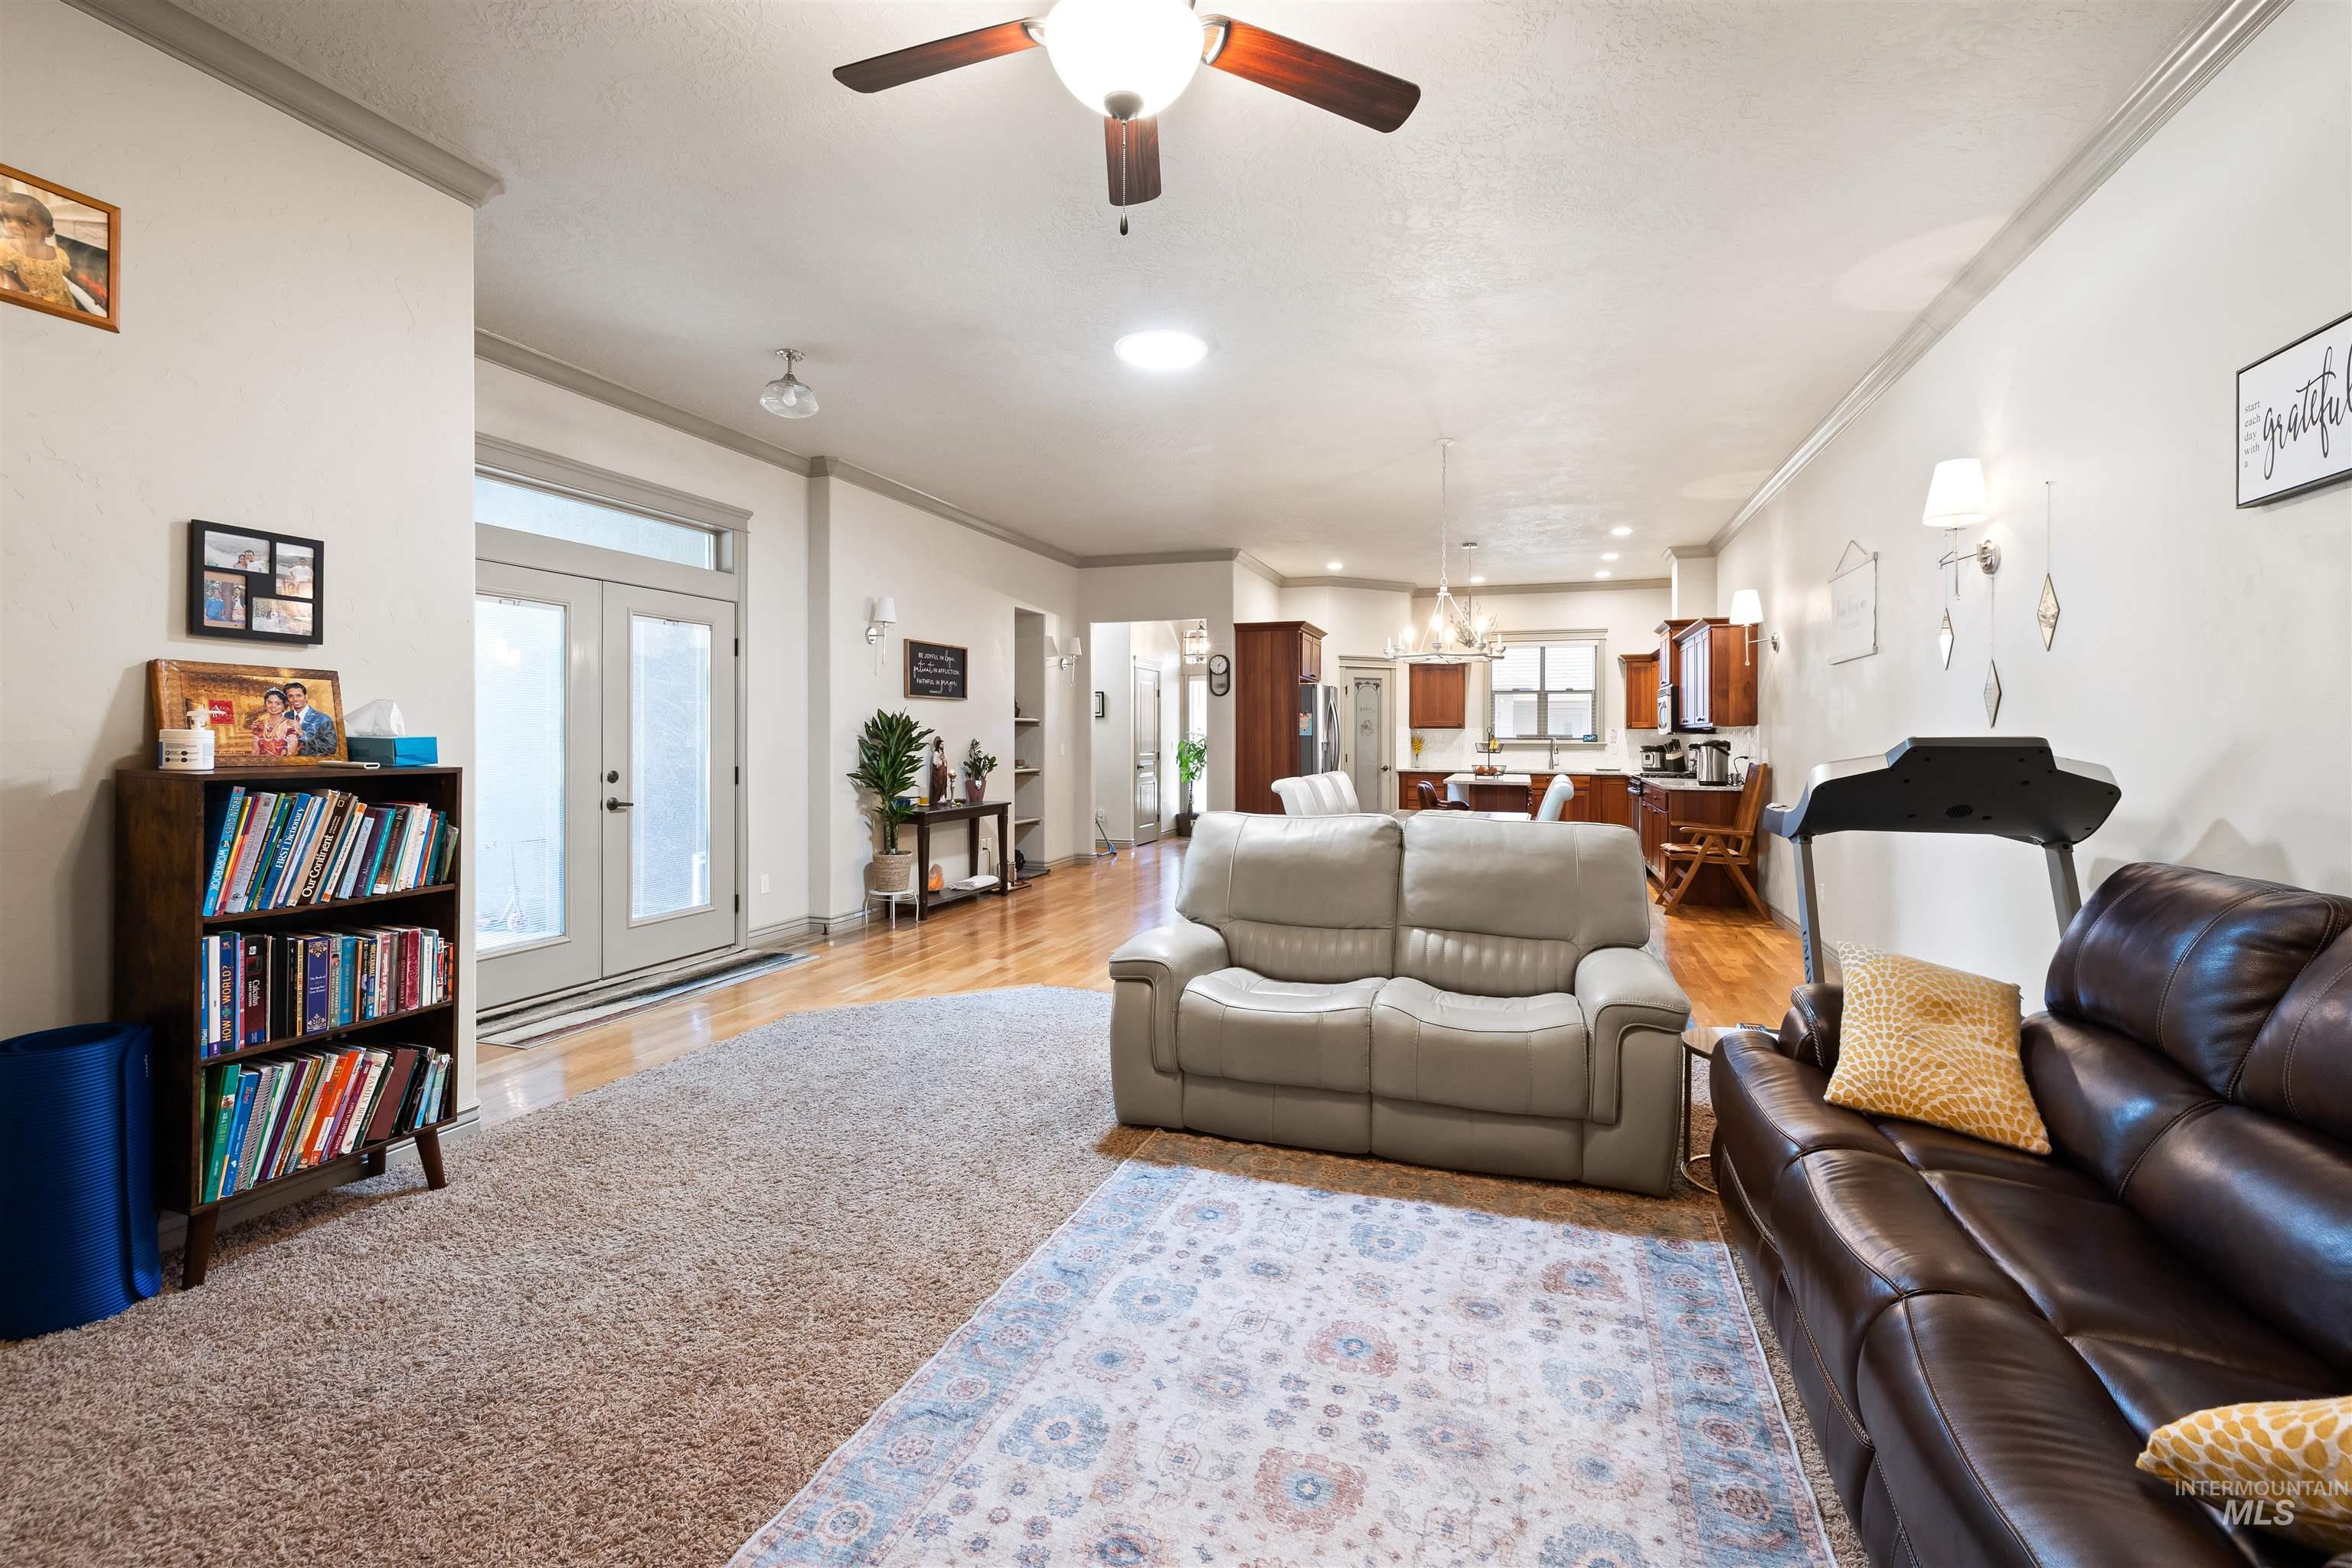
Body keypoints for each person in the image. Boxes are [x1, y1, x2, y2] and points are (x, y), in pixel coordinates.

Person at [0, 191, 79, 311]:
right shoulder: (9, 249)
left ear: (48, 232)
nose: (13, 226)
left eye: (26, 222)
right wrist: (19, 293)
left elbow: (64, 276)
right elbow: (7, 278)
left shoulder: (59, 253)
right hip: (37, 304)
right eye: (8, 218)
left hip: (64, 302)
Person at [283, 680, 338, 756]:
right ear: (287, 699)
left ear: (306, 697)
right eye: (290, 696)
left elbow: (331, 749)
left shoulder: (323, 719)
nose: (295, 699)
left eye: (298, 695)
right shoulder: (287, 716)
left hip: (311, 765)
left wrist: (302, 733)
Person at [246, 688, 299, 756]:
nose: (273, 706)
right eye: (269, 702)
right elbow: (255, 752)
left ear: (284, 706)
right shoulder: (259, 725)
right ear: (265, 704)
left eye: (278, 703)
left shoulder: (289, 725)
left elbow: (292, 753)